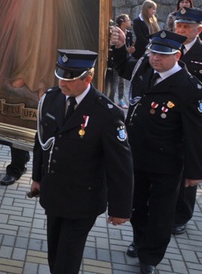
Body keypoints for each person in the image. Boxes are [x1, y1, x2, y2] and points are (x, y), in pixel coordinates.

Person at [112, 29, 202, 274]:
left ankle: (150, 257)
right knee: (136, 205)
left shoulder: (189, 88)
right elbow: (124, 67)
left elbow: (196, 134)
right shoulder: (145, 70)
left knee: (161, 212)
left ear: (177, 55)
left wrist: (195, 171)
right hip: (136, 156)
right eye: (153, 52)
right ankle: (139, 239)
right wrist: (121, 46)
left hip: (167, 163)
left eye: (162, 55)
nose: (156, 58)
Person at [31, 49, 133, 274]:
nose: (62, 83)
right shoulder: (50, 98)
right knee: (55, 250)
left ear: (88, 78)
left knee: (68, 256)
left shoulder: (107, 113)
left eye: (69, 79)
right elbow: (41, 141)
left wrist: (120, 208)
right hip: (54, 192)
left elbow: (121, 165)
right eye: (59, 76)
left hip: (82, 199)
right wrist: (37, 178)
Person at [170, 7, 202, 236]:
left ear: (199, 29)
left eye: (186, 26)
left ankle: (181, 215)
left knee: (189, 170)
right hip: (168, 121)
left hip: (194, 124)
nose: (181, 30)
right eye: (179, 25)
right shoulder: (168, 49)